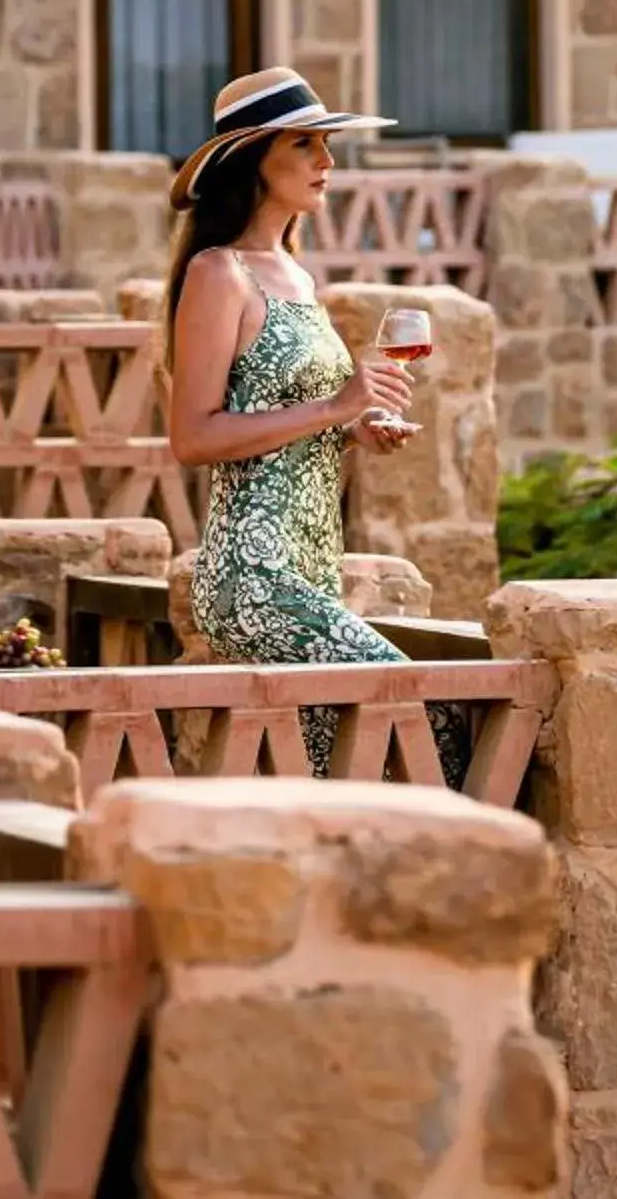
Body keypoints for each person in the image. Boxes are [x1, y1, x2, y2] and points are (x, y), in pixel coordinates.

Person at [160, 68, 470, 785]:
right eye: (306, 145)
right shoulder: (218, 272)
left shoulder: (295, 275)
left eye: (326, 144)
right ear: (253, 162)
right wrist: (336, 406)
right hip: (254, 574)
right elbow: (195, 437)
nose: (326, 162)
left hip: (313, 566)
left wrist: (356, 429)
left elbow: (287, 420)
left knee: (338, 773)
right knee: (415, 711)